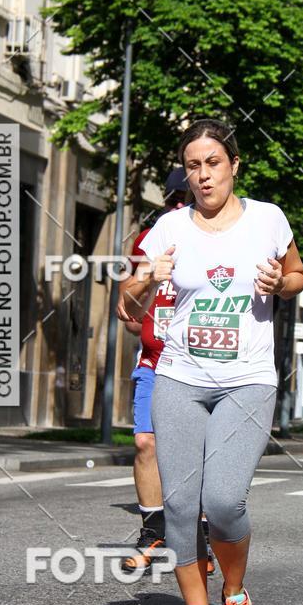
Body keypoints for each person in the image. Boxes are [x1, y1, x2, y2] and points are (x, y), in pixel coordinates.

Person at [124, 118, 303, 605]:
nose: (203, 175)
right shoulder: (169, 228)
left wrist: (281, 283)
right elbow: (125, 307)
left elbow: (297, 275)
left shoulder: (268, 219)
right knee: (181, 507)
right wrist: (146, 278)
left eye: (213, 163)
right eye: (194, 166)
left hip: (247, 380)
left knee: (224, 501)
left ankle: (235, 595)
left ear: (233, 165)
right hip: (180, 378)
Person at [116, 168, 208, 573]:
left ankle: (198, 535)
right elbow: (128, 308)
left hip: (202, 365)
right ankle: (154, 531)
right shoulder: (148, 241)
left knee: (199, 453)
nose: (176, 208)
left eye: (183, 201)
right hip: (154, 362)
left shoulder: (216, 239)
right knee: (145, 444)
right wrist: (147, 305)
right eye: (171, 201)